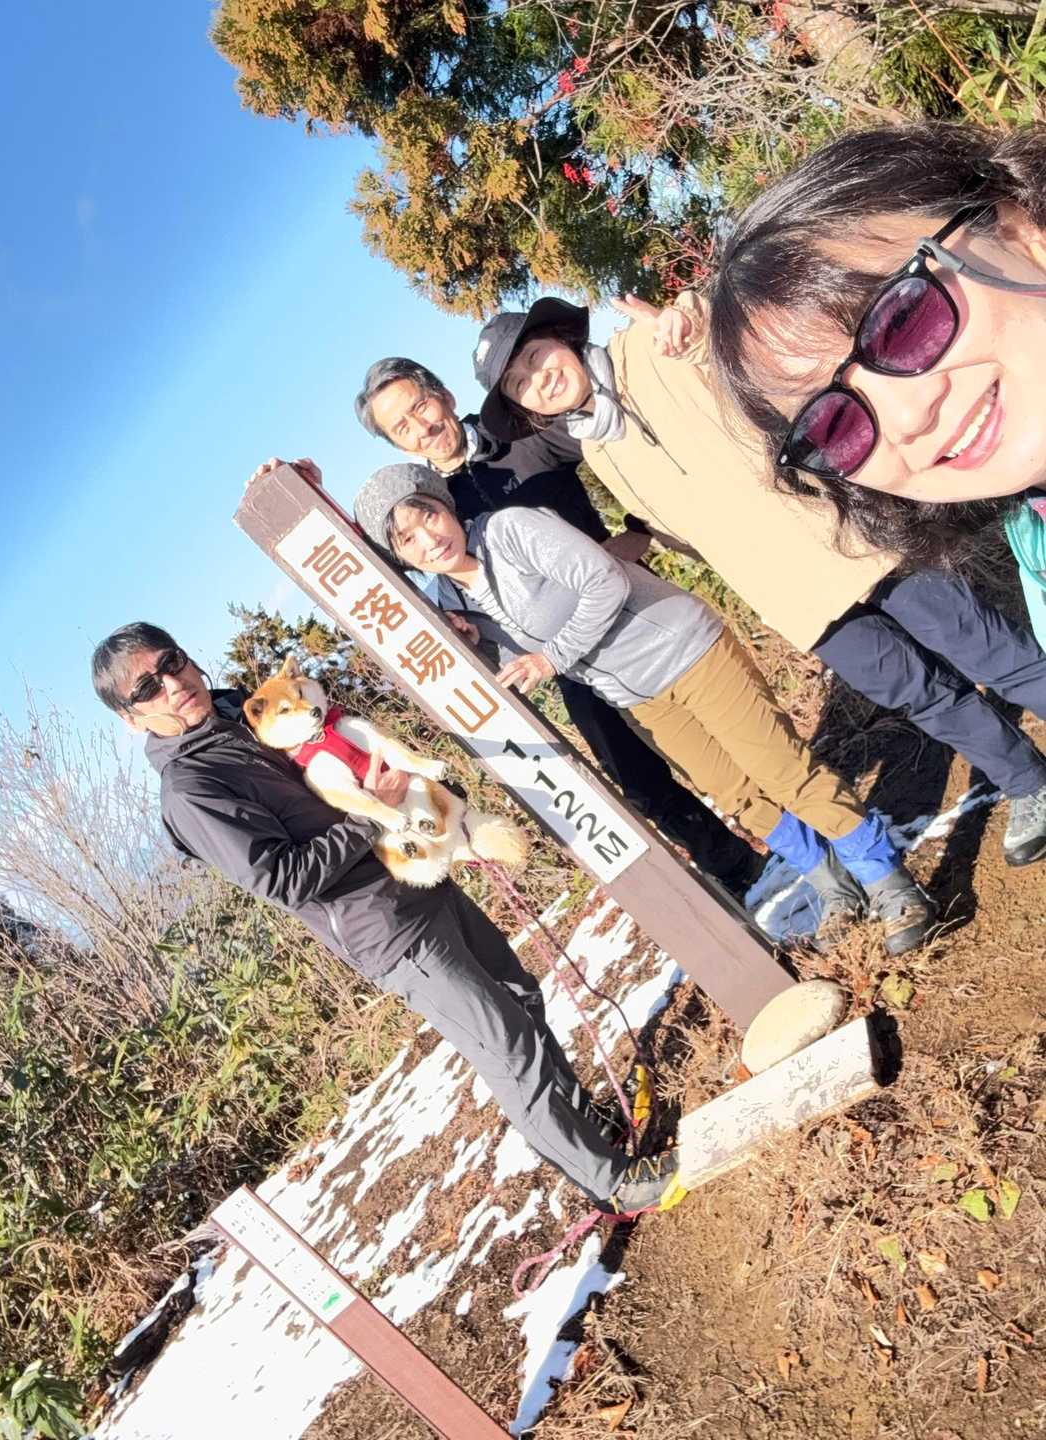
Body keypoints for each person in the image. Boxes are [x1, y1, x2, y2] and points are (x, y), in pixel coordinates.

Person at [90, 621, 687, 1216]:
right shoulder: (192, 788)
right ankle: (612, 1182)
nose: (171, 684)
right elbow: (281, 880)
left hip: (415, 873)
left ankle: (585, 1128)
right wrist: (373, 815)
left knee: (521, 997)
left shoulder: (246, 715)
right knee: (505, 1046)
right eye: (146, 688)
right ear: (131, 718)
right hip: (386, 929)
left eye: (171, 663)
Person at [472, 287, 1046, 870]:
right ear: (526, 410)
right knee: (921, 694)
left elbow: (731, 348)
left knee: (987, 647)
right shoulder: (597, 452)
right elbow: (672, 530)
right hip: (794, 595)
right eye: (519, 384)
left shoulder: (651, 347)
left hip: (849, 534)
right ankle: (1028, 782)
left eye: (535, 357)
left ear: (562, 339)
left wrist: (693, 321)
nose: (538, 379)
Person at [353, 465, 938, 958]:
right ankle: (833, 885)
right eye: (407, 539)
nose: (429, 539)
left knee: (782, 771)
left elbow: (604, 580)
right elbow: (517, 666)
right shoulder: (455, 600)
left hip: (686, 648)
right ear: (403, 558)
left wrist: (552, 658)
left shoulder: (510, 531)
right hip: (638, 697)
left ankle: (886, 878)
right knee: (736, 794)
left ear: (446, 507)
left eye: (428, 516)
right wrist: (478, 645)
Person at [706, 121, 1046, 867]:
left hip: (874, 568)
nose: (907, 416)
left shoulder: (656, 357)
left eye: (903, 319)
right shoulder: (1035, 544)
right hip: (806, 597)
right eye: (833, 424)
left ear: (1020, 224)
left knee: (999, 655)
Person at [345, 357, 764, 893]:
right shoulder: (426, 510)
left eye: (420, 406)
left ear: (444, 395)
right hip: (565, 663)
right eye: (401, 426)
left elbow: (617, 444)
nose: (421, 427)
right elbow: (374, 554)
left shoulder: (521, 432)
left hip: (637, 620)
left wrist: (639, 529)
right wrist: (298, 489)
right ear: (398, 446)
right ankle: (740, 869)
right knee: (637, 776)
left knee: (728, 734)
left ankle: (791, 823)